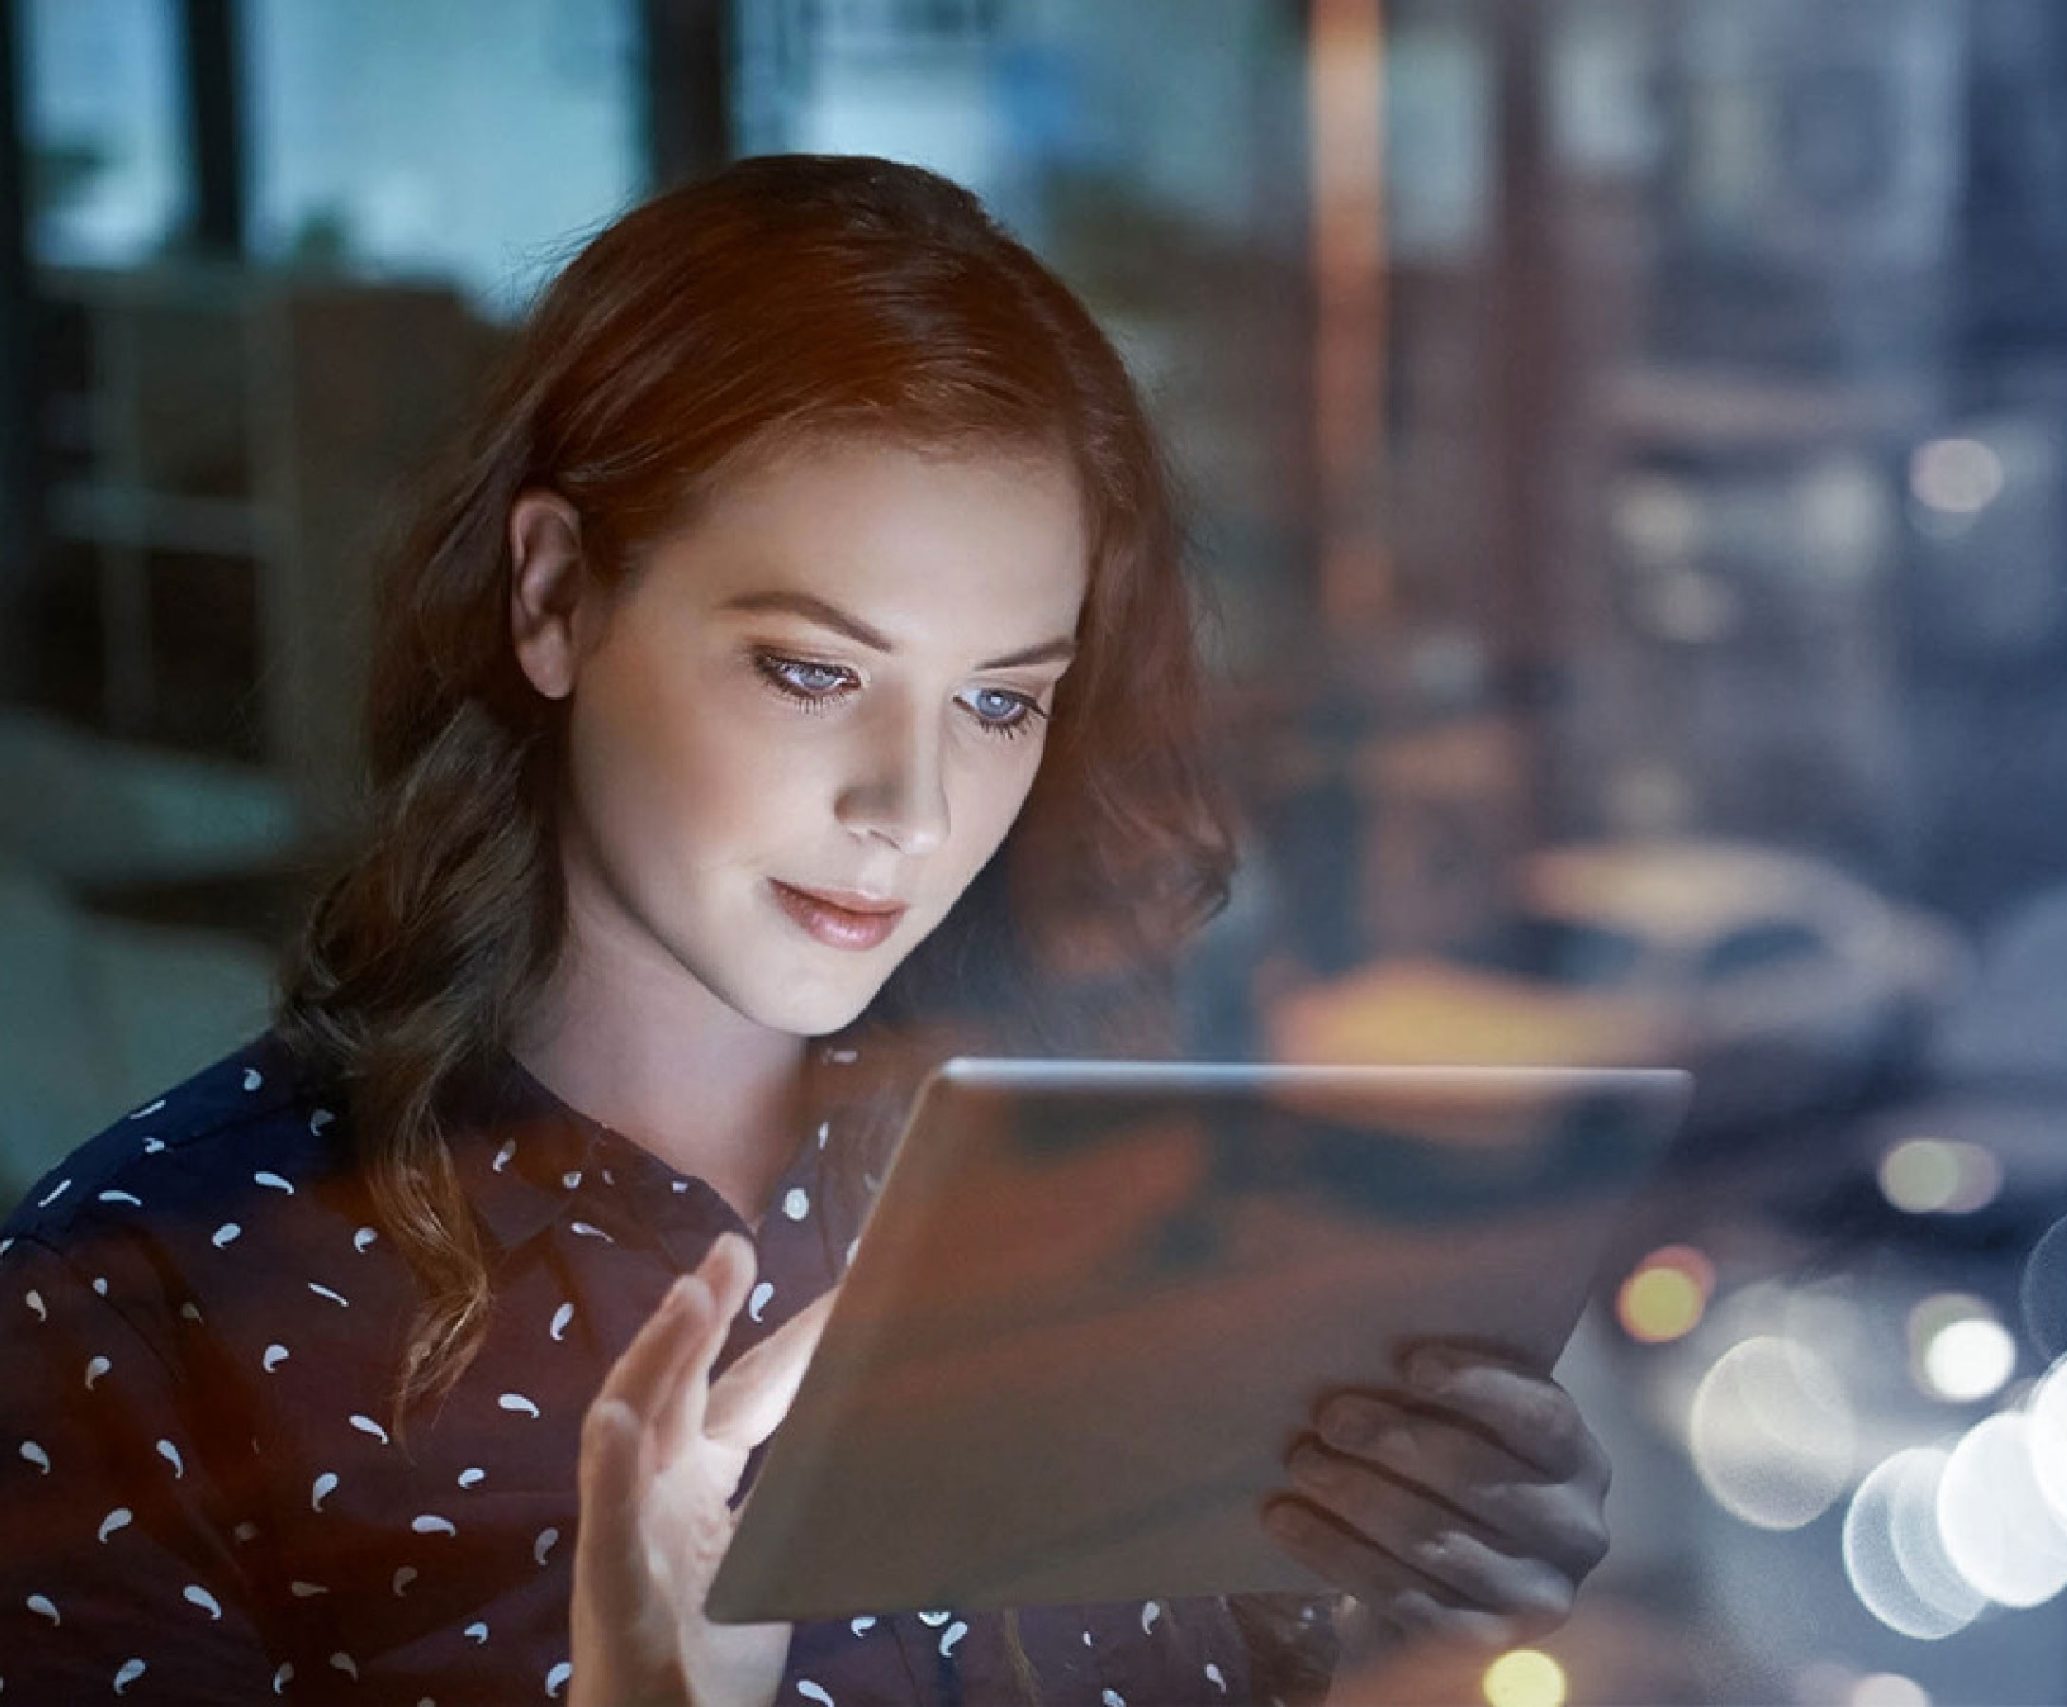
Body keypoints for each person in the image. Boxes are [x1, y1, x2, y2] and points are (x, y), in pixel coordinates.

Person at [0, 155, 1612, 1705]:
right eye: (812, 671)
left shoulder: (1126, 1209)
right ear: (557, 597)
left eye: (998, 701)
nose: (910, 811)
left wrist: (1401, 1606)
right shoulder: (143, 1299)